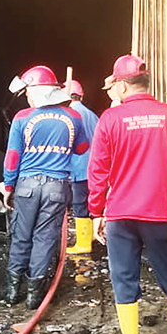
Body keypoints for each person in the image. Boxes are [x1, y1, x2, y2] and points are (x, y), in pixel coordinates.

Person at [88, 54, 167, 334]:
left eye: (115, 85)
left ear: (123, 86)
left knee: (124, 279)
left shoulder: (110, 119)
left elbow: (98, 171)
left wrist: (96, 211)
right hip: (159, 214)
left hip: (120, 216)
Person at [3, 65, 90, 309]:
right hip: (57, 187)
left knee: (21, 236)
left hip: (26, 186)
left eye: (28, 93)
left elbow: (12, 156)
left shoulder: (22, 117)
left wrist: (8, 187)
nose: (27, 98)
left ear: (37, 91)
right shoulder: (74, 116)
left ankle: (12, 292)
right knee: (44, 239)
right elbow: (82, 148)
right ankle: (34, 297)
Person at [65, 79, 100, 255]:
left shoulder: (69, 115)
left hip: (78, 167)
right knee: (92, 202)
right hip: (95, 167)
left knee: (80, 204)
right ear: (81, 95)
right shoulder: (92, 115)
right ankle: (92, 234)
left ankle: (83, 244)